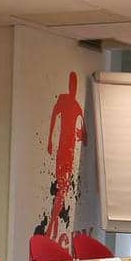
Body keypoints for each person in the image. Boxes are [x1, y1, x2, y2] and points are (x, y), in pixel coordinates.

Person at [44, 71, 86, 244]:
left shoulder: (77, 106)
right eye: (72, 83)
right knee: (61, 187)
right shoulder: (63, 101)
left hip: (70, 152)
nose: (73, 87)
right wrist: (49, 140)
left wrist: (80, 135)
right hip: (62, 150)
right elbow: (54, 116)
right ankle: (52, 224)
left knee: (63, 188)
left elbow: (86, 135)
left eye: (75, 84)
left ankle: (53, 225)